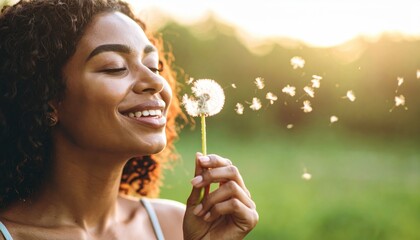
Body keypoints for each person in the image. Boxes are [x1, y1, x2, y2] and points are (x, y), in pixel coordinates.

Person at [0, 0, 258, 239]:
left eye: (154, 66)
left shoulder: (177, 225)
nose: (156, 81)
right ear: (47, 98)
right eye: (114, 67)